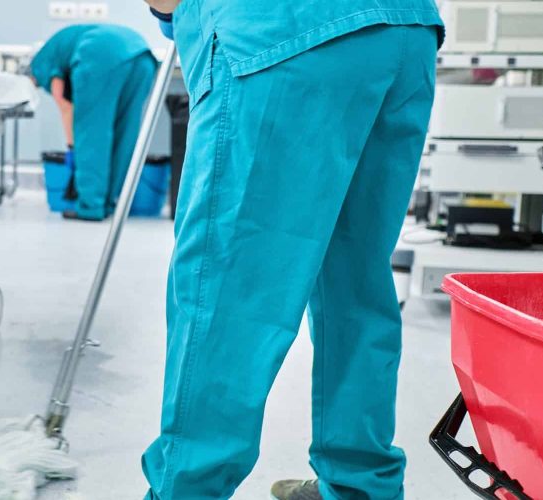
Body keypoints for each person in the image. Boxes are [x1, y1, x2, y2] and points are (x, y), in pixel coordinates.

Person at [141, 1, 445, 499]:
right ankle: (359, 486)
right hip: (404, 31)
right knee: (355, 281)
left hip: (284, 34)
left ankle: (186, 491)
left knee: (228, 293)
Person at [30, 25, 156, 221]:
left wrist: (72, 147)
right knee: (125, 134)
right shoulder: (66, 40)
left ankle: (90, 206)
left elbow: (64, 105)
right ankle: (108, 202)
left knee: (92, 134)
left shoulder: (40, 65)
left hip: (100, 57)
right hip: (142, 57)